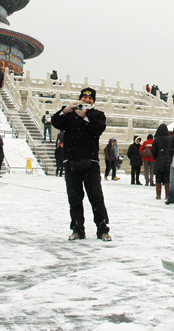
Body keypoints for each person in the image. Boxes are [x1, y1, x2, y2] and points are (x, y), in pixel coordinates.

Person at [51, 87, 111, 241]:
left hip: (90, 162)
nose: (87, 100)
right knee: (74, 198)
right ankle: (77, 229)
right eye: (84, 97)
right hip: (71, 162)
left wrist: (86, 117)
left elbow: (98, 129)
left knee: (96, 197)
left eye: (90, 98)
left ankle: (102, 229)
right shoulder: (69, 115)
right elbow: (56, 122)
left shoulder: (97, 115)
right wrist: (65, 110)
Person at [151, 124, 172, 200]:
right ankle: (167, 194)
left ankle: (158, 194)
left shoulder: (156, 140)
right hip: (168, 160)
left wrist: (156, 157)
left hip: (159, 160)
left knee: (158, 178)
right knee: (167, 178)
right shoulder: (170, 139)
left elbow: (153, 151)